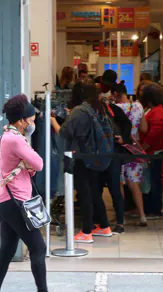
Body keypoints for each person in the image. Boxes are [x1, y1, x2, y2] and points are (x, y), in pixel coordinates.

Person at [0, 94, 70, 292]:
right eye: (31, 119)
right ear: (22, 120)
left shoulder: (7, 135)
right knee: (38, 247)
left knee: (7, 250)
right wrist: (28, 145)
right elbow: (39, 164)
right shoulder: (15, 139)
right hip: (16, 202)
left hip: (5, 200)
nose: (33, 123)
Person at [60, 80, 112, 243]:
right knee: (95, 191)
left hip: (82, 156)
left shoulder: (79, 110)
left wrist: (53, 120)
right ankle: (104, 226)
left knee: (84, 193)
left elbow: (64, 131)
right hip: (96, 156)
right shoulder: (98, 107)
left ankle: (86, 231)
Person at [96, 71, 133, 234]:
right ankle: (104, 221)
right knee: (102, 189)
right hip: (102, 154)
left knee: (112, 189)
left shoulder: (112, 110)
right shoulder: (97, 111)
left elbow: (127, 124)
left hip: (109, 154)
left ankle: (117, 221)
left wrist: (122, 138)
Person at [111, 81, 147, 227]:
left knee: (119, 183)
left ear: (115, 94)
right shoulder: (138, 106)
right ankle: (142, 216)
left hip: (118, 149)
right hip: (133, 148)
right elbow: (144, 128)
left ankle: (121, 217)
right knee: (134, 184)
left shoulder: (114, 108)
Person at [139, 83, 163, 219]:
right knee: (150, 180)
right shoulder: (154, 109)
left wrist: (143, 147)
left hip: (153, 151)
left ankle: (155, 210)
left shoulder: (157, 112)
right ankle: (149, 208)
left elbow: (154, 133)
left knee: (153, 181)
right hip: (151, 150)